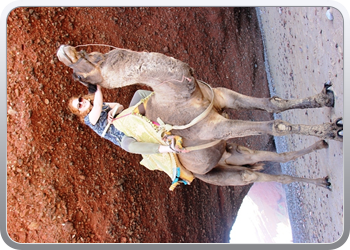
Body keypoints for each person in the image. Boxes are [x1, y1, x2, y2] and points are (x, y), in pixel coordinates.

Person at [68, 85, 185, 154]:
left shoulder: (99, 104)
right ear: (80, 112)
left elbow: (119, 106)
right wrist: (96, 85)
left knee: (139, 94)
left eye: (80, 100)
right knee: (128, 146)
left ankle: (168, 100)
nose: (82, 103)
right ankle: (168, 148)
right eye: (79, 105)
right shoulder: (89, 119)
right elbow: (98, 106)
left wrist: (111, 112)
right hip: (122, 135)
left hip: (125, 118)